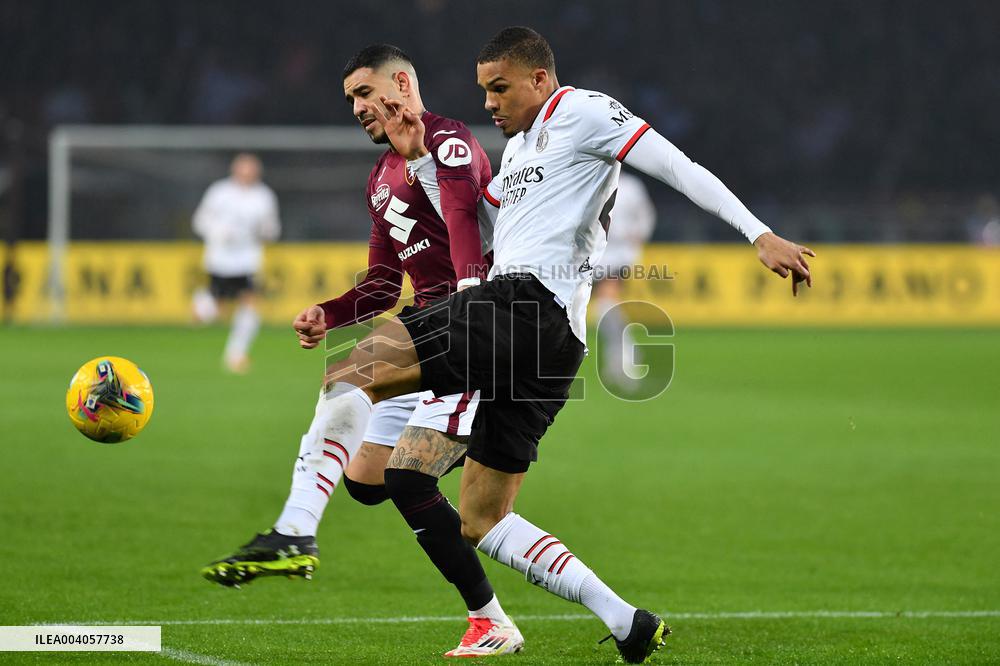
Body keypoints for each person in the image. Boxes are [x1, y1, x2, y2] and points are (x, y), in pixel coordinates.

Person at [265, 27, 814, 663]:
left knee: (355, 370)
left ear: (539, 80)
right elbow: (470, 221)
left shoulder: (581, 112)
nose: (489, 104)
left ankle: (294, 531)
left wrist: (758, 233)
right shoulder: (520, 152)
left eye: (499, 88)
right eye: (483, 91)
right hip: (554, 346)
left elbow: (676, 165)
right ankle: (625, 620)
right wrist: (418, 160)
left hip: (523, 308)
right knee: (476, 515)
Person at [202, 45, 524, 658]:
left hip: (468, 326)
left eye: (363, 92)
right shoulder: (380, 177)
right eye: (350, 98)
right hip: (426, 328)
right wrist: (329, 311)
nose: (356, 107)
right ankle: (493, 617)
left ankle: (295, 531)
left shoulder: (451, 142)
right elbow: (382, 283)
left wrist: (468, 305)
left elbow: (463, 225)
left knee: (350, 374)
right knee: (370, 479)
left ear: (401, 83)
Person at [192, 153, 280, 373]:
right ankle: (203, 303)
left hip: (247, 261)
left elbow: (272, 229)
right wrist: (217, 232)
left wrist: (265, 232)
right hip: (220, 259)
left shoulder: (264, 196)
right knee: (217, 308)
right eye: (243, 168)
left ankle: (236, 354)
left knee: (250, 304)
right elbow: (199, 221)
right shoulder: (219, 192)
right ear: (235, 170)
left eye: (251, 169)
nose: (247, 173)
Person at [591, 170, 657, 386]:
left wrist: (639, 235)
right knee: (601, 308)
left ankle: (625, 359)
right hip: (591, 253)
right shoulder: (592, 180)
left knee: (606, 305)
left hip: (619, 253)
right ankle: (621, 357)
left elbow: (646, 215)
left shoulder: (631, 186)